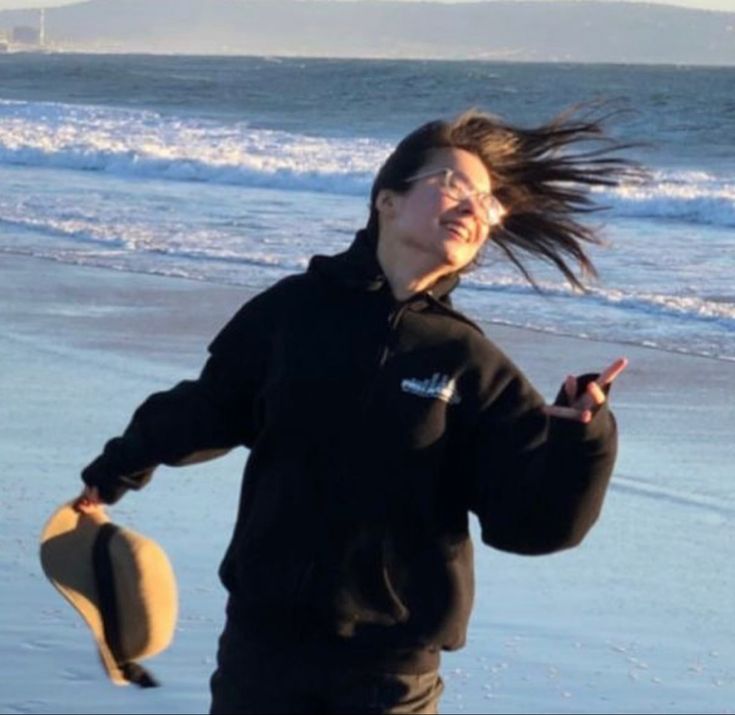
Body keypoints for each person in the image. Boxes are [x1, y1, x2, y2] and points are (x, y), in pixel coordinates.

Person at [77, 107, 635, 714]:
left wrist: (587, 441)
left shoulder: (470, 361)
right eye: (451, 184)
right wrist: (115, 470)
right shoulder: (292, 313)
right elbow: (207, 409)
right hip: (261, 655)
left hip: (390, 676)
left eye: (486, 201)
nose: (474, 207)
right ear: (386, 201)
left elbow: (529, 526)